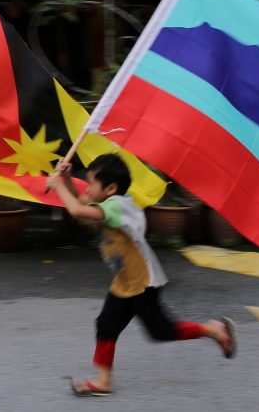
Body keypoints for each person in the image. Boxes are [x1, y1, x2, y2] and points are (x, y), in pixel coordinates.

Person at [46, 154, 236, 397]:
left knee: (160, 331)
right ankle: (104, 381)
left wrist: (58, 185)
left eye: (92, 183)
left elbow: (77, 209)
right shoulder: (112, 203)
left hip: (142, 282)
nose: (88, 188)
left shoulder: (115, 207)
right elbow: (82, 200)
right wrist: (67, 178)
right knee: (106, 325)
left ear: (111, 188)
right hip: (126, 280)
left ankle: (213, 330)